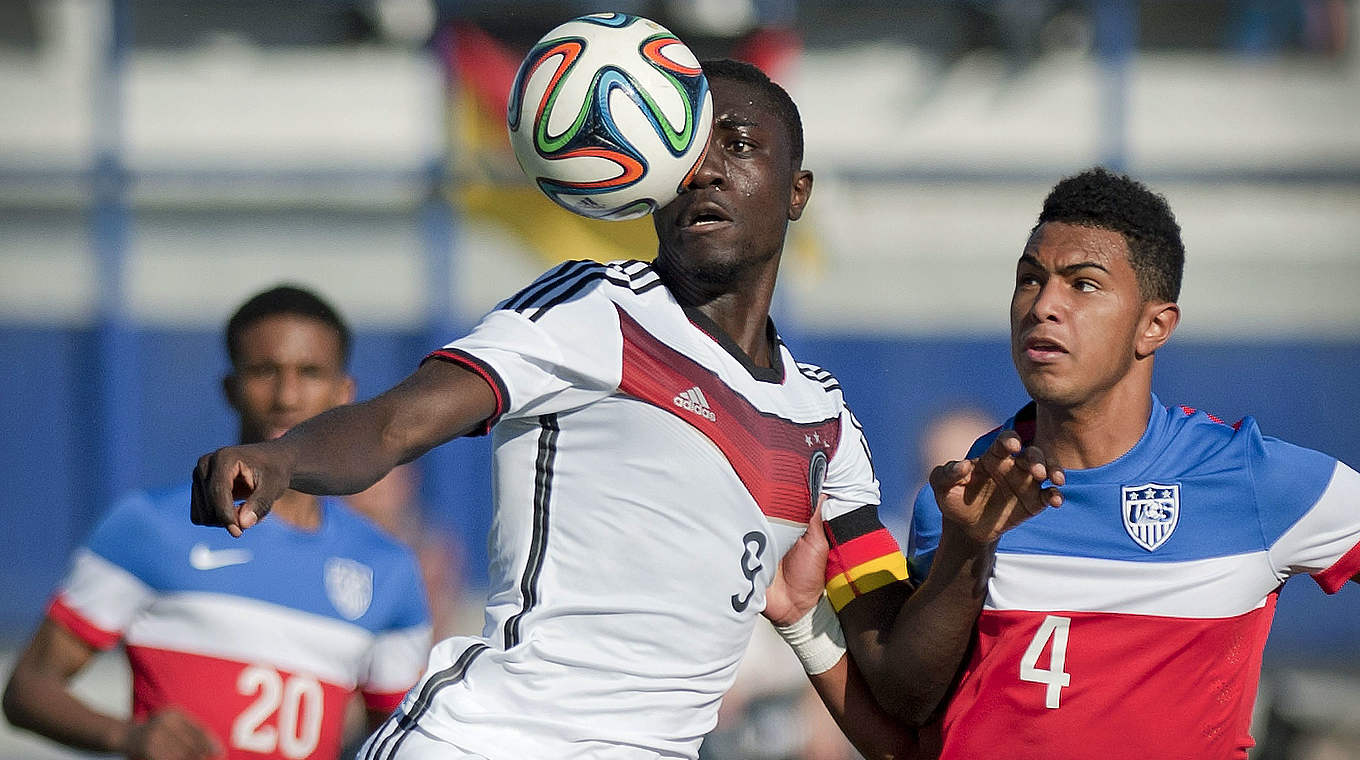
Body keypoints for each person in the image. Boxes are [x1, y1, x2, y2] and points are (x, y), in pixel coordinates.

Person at [189, 60, 1059, 760]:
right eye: (685, 150)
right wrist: (282, 459)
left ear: (797, 191)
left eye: (739, 143)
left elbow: (899, 683)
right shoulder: (593, 309)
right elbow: (391, 424)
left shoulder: (823, 421)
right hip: (490, 740)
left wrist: (966, 553)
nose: (706, 166)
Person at [775, 167, 1360, 759]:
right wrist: (962, 548)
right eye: (1030, 280)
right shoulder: (966, 500)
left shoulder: (1254, 481)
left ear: (1155, 325)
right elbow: (915, 734)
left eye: (1083, 284)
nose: (1044, 305)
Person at [3, 286, 432, 760]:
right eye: (264, 371)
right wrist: (126, 737)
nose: (287, 397)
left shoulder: (388, 569)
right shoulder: (148, 527)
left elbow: (402, 744)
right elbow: (28, 688)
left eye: (310, 373)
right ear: (231, 389)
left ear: (344, 393)